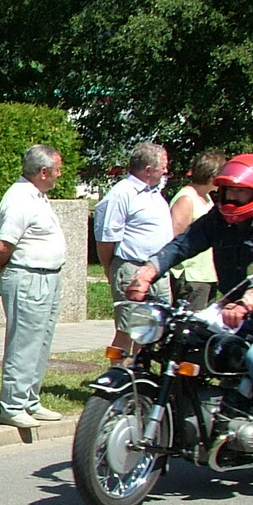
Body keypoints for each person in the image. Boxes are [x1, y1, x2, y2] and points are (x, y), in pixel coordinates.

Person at [125, 153, 253, 466]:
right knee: (182, 341)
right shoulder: (219, 217)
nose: (231, 198)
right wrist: (149, 271)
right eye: (228, 191)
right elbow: (185, 243)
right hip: (230, 307)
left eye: (240, 192)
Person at [0, 144, 67, 429]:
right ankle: (12, 406)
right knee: (23, 343)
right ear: (43, 171)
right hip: (28, 277)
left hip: (48, 277)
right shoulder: (20, 199)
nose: (60, 175)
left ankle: (29, 401)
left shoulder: (38, 196)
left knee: (41, 342)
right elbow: (4, 245)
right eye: (57, 170)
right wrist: (1, 268)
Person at [98, 142, 174, 358]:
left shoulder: (155, 194)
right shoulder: (121, 194)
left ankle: (140, 372)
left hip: (157, 271)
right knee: (127, 329)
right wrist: (110, 269)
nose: (166, 171)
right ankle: (117, 374)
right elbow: (106, 239)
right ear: (148, 170)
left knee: (152, 330)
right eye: (163, 166)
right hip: (132, 269)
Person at [168, 152, 223, 307]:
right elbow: (176, 239)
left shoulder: (206, 197)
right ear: (212, 176)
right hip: (191, 277)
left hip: (206, 275)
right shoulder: (186, 198)